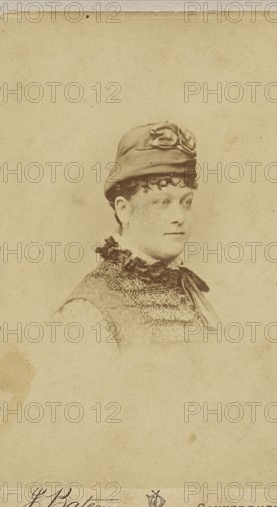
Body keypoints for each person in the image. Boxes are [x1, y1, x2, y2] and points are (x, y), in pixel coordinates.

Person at [59, 122, 218, 348]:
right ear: (124, 210)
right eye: (162, 202)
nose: (179, 216)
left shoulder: (189, 290)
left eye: (186, 202)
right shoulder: (89, 308)